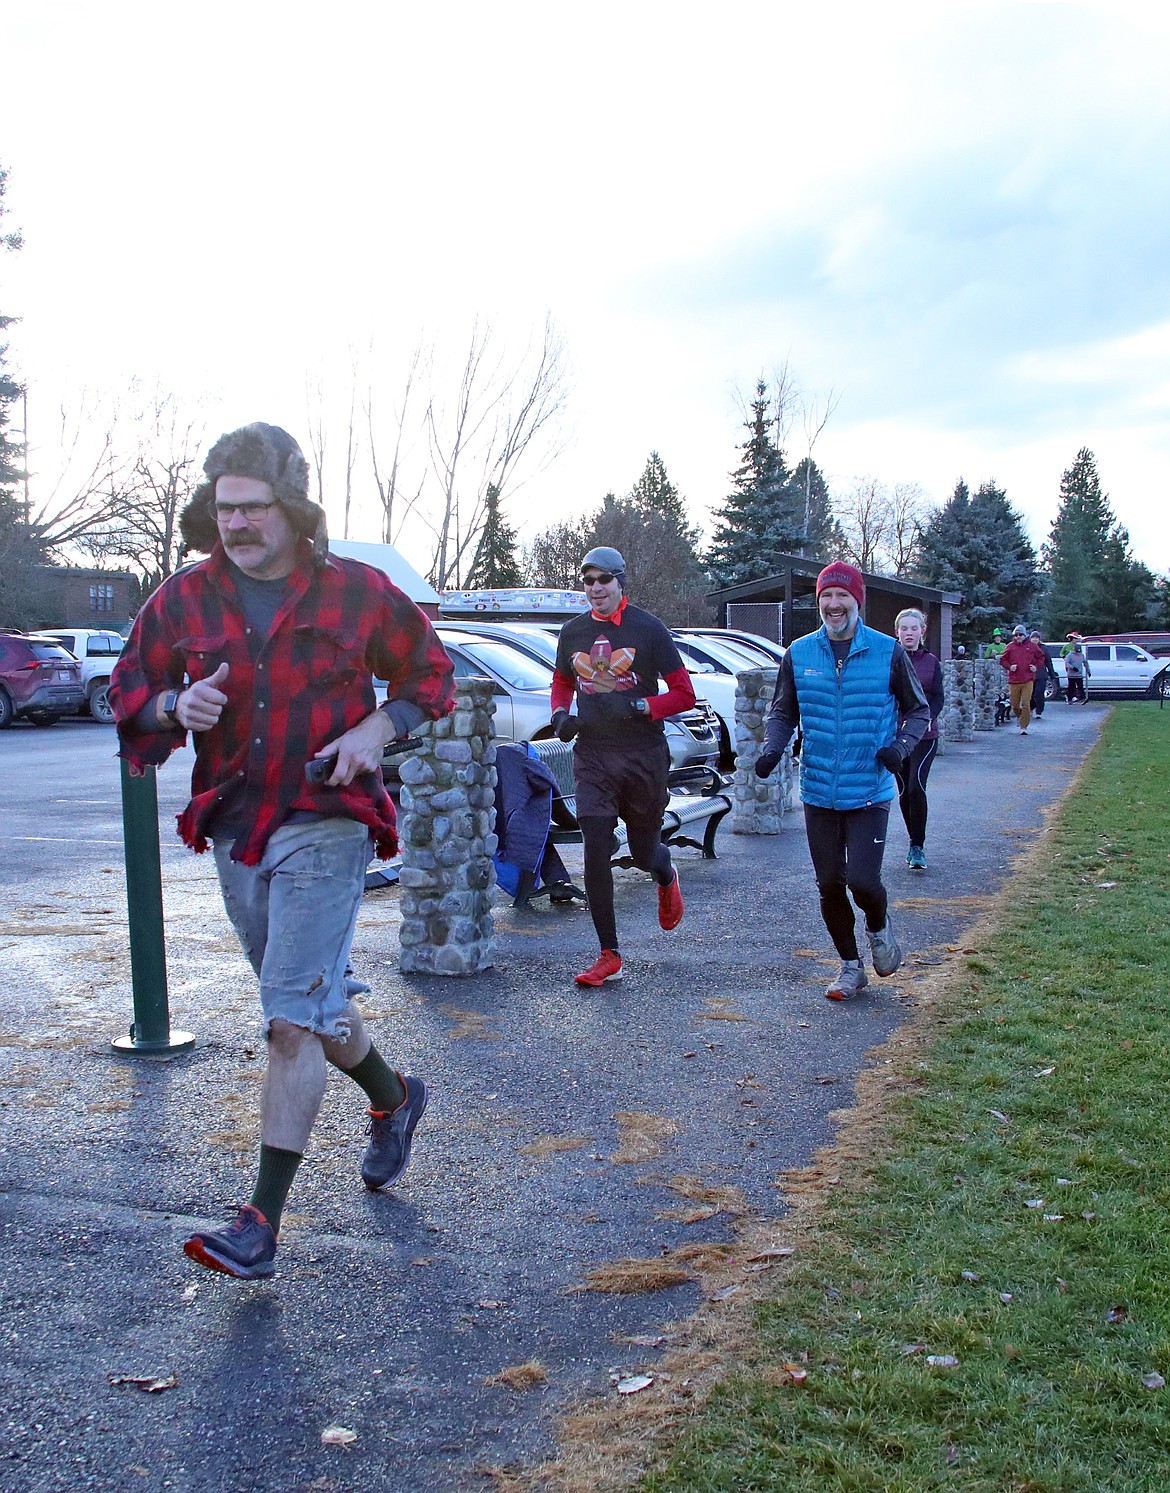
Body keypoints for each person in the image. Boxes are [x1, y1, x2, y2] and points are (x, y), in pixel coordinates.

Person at [109, 423, 455, 1279]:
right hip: (237, 825)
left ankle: (260, 1222)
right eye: (224, 508)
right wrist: (170, 708)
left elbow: (431, 677)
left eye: (254, 507)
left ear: (293, 509)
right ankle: (394, 1095)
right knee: (315, 999)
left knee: (289, 1016)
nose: (236, 524)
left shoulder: (358, 592)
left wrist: (379, 726)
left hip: (327, 817)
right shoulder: (183, 599)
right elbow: (130, 686)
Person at [755, 561, 929, 1002]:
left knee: (863, 882)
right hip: (818, 790)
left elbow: (919, 711)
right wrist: (774, 748)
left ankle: (878, 925)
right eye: (826, 597)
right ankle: (850, 968)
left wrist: (899, 749)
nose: (834, 605)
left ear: (857, 600)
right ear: (819, 603)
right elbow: (782, 711)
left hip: (868, 789)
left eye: (842, 596)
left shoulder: (888, 651)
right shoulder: (799, 653)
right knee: (830, 883)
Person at [549, 546, 696, 987]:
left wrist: (642, 706)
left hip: (642, 756)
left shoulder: (647, 629)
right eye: (588, 581)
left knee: (643, 849)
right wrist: (560, 714)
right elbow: (561, 682)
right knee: (595, 842)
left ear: (620, 582)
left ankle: (665, 872)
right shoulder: (572, 632)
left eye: (603, 580)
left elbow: (683, 694)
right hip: (594, 754)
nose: (595, 589)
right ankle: (608, 952)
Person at [892, 608, 944, 871]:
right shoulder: (889, 658)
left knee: (915, 787)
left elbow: (937, 697)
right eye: (904, 628)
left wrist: (927, 718)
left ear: (922, 632)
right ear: (897, 632)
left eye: (914, 628)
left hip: (925, 736)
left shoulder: (931, 662)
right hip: (897, 737)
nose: (909, 633)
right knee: (903, 792)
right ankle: (913, 842)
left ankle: (918, 846)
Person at [998, 624, 1047, 733]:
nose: (1018, 636)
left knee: (1026, 703)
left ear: (1025, 635)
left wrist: (1036, 667)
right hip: (1014, 680)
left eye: (1021, 634)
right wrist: (1010, 667)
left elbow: (1041, 657)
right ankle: (1020, 716)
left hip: (1028, 679)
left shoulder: (1032, 646)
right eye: (1016, 635)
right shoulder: (1010, 646)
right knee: (1014, 704)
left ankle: (1023, 726)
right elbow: (1003, 660)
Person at [1030, 630, 1058, 719]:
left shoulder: (1043, 648)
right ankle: (1032, 708)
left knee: (1039, 692)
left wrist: (1052, 674)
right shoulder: (1027, 648)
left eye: (1036, 638)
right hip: (1029, 674)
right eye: (1033, 638)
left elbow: (1048, 662)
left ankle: (1039, 710)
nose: (1035, 639)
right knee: (1030, 693)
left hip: (1041, 674)